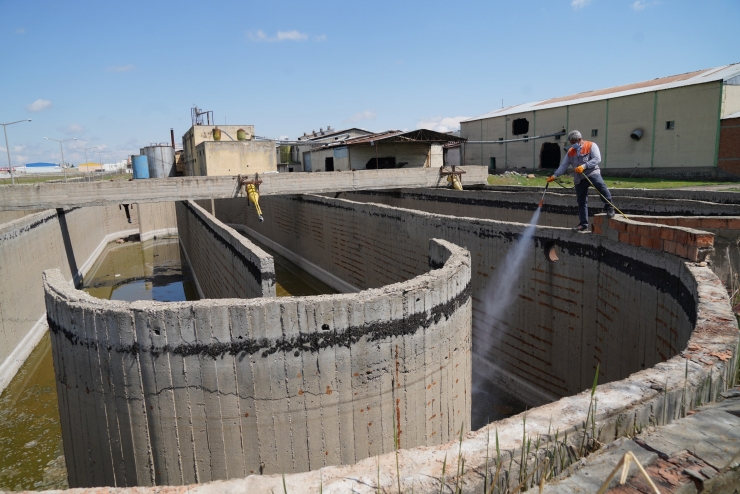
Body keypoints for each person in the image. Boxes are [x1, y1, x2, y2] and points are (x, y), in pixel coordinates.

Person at [547, 130, 614, 232]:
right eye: (571, 143)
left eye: (573, 142)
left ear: (579, 139)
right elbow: (564, 165)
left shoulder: (591, 145)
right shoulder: (571, 151)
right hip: (579, 178)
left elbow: (597, 159)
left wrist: (584, 166)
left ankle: (609, 207)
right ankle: (583, 224)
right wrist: (555, 175)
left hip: (592, 173)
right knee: (581, 201)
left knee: (601, 186)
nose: (572, 144)